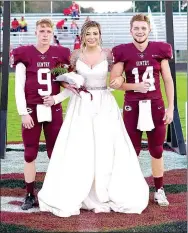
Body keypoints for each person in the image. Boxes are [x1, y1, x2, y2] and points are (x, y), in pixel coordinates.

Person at [38, 20, 149, 217]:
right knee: (80, 147)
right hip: (81, 105)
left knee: (106, 147)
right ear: (82, 36)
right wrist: (56, 98)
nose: (92, 37)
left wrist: (119, 80)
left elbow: (118, 76)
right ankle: (80, 191)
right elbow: (70, 84)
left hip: (104, 105)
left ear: (100, 35)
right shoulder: (75, 56)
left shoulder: (109, 54)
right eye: (88, 33)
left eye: (95, 33)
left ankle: (105, 190)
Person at [110, 14, 174, 206]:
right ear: (131, 31)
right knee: (132, 150)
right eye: (136, 28)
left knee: (157, 149)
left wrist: (171, 107)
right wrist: (132, 85)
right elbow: (115, 82)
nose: (140, 31)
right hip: (133, 106)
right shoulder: (122, 52)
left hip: (155, 105)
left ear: (149, 30)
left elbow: (168, 80)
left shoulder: (160, 50)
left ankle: (159, 189)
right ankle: (132, 188)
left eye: (143, 28)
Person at [12, 18, 70, 210]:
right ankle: (29, 194)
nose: (45, 34)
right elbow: (19, 86)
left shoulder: (60, 54)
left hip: (53, 109)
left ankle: (55, 191)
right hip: (32, 110)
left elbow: (71, 86)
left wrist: (57, 98)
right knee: (30, 153)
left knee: (56, 153)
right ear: (35, 32)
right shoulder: (25, 54)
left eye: (48, 31)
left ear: (53, 34)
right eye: (41, 31)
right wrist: (23, 113)